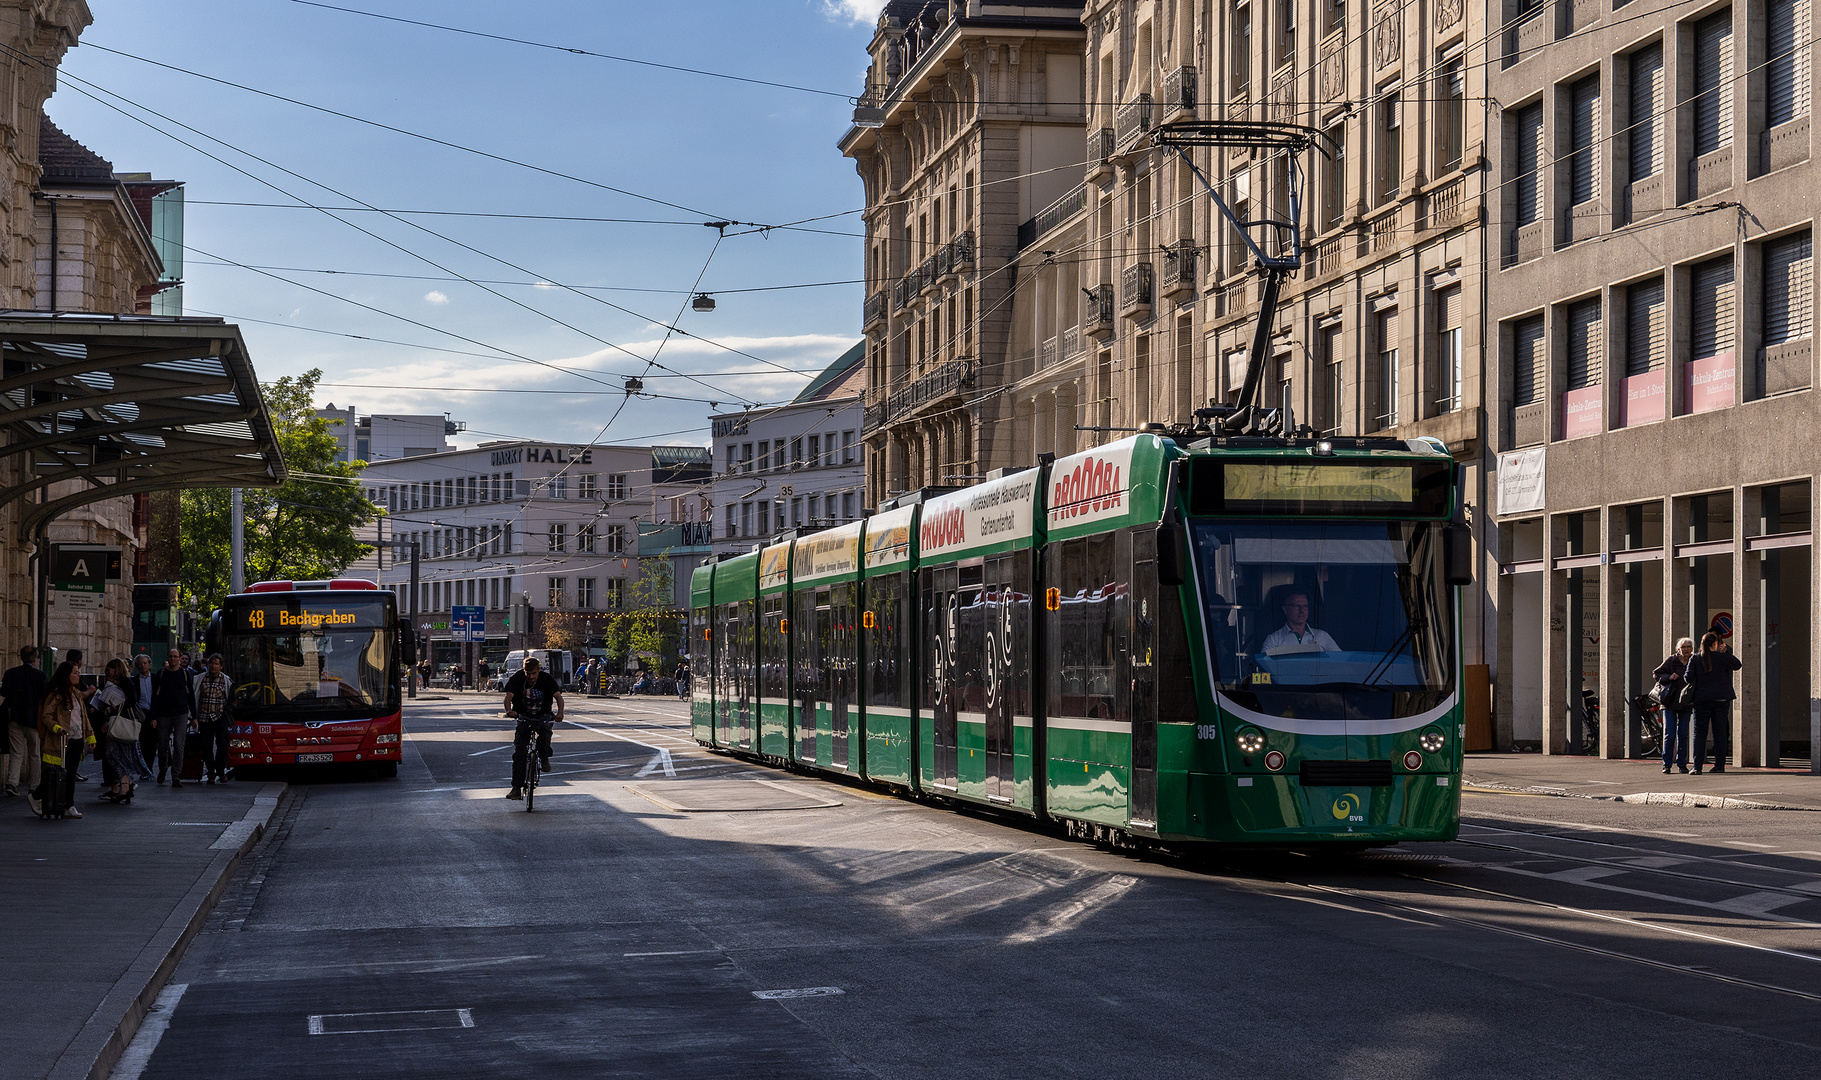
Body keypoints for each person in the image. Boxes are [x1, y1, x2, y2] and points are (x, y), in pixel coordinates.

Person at [501, 656, 563, 801]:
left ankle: (545, 757)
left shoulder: (546, 679)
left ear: (538, 670)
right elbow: (508, 696)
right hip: (524, 716)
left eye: (533, 673)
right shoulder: (518, 678)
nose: (531, 676)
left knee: (545, 733)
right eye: (528, 673)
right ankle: (516, 788)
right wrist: (509, 710)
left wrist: (560, 713)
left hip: (543, 716)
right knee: (520, 752)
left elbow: (558, 697)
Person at [35, 660, 90, 818]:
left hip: (77, 738)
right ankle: (55, 801)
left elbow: (83, 717)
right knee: (60, 773)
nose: (78, 675)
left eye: (78, 672)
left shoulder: (76, 694)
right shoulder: (57, 695)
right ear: (66, 676)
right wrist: (57, 728)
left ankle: (68, 805)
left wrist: (90, 737)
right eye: (75, 672)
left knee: (71, 773)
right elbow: (46, 715)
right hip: (62, 740)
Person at [1685, 630, 1742, 775]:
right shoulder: (1722, 657)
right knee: (1720, 733)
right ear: (1716, 644)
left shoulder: (1696, 658)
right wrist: (1726, 652)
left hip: (1702, 699)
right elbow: (1737, 665)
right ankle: (1719, 765)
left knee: (1699, 733)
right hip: (1722, 699)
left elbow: (1687, 677)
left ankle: (1697, 767)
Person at [96, 659, 149, 804]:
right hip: (114, 721)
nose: (108, 671)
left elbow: (132, 700)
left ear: (117, 669)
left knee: (116, 755)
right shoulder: (107, 683)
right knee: (114, 755)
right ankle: (126, 785)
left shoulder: (125, 681)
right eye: (107, 668)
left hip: (122, 722)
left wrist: (117, 706)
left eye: (111, 668)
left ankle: (125, 786)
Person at [2, 645, 47, 799]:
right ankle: (34, 786)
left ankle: (11, 783)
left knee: (16, 753)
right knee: (34, 754)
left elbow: (4, 692)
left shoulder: (10, 673)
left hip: (14, 718)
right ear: (35, 659)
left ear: (21, 657)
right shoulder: (40, 676)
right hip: (33, 720)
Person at [150, 648, 195, 787]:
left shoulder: (185, 674)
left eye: (175, 656)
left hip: (180, 713)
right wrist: (154, 716)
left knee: (178, 745)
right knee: (162, 745)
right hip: (164, 714)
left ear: (180, 658)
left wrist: (194, 716)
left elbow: (191, 696)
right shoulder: (162, 674)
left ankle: (176, 775)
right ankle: (163, 769)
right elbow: (155, 696)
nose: (173, 659)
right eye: (170, 656)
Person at [1653, 637, 1696, 774]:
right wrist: (1669, 677)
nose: (1686, 649)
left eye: (1689, 646)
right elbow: (1656, 673)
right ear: (1678, 649)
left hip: (1686, 703)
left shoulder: (1694, 661)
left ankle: (1682, 763)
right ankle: (1667, 764)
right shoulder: (1672, 660)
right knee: (1670, 733)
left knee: (1683, 734)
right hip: (1669, 702)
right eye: (1683, 647)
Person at [191, 653, 232, 785]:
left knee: (222, 744)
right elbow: (194, 697)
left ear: (221, 666)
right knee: (206, 746)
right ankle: (211, 772)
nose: (213, 666)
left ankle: (221, 770)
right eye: (211, 663)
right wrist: (193, 717)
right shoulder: (200, 679)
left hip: (219, 716)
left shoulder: (226, 680)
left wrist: (225, 712)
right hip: (204, 717)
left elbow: (230, 700)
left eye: (216, 664)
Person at [1260, 590, 1340, 653]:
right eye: (1297, 606)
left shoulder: (1322, 636)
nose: (1302, 611)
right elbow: (1264, 667)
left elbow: (1340, 661)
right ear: (1285, 609)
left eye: (1305, 606)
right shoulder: (1274, 640)